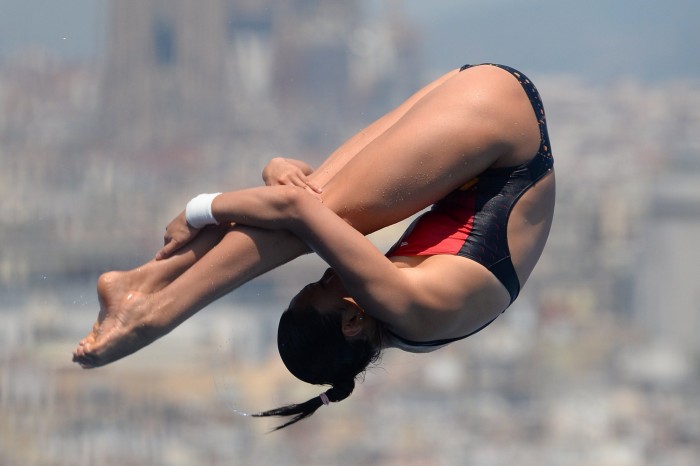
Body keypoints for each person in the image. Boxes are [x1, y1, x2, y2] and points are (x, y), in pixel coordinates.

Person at [73, 63, 555, 429]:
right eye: (325, 286)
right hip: (500, 123)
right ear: (351, 320)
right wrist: (200, 208)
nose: (330, 273)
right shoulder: (406, 305)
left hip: (491, 117)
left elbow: (300, 206)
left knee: (319, 203)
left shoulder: (397, 326)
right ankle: (154, 313)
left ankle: (149, 282)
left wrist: (279, 178)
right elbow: (296, 213)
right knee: (318, 216)